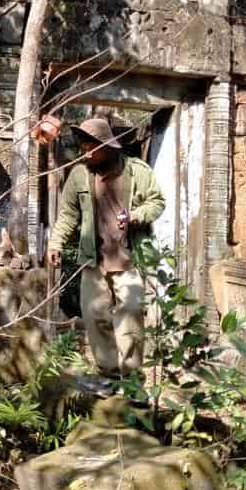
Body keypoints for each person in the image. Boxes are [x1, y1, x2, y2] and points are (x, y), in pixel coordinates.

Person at [47, 117, 165, 379]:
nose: (84, 151)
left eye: (90, 146)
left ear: (106, 146)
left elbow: (157, 202)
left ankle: (133, 380)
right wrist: (55, 243)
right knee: (95, 317)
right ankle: (108, 376)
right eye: (82, 145)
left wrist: (136, 216)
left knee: (132, 317)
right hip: (93, 260)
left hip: (129, 260)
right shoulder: (80, 175)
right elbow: (68, 215)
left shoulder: (137, 171)